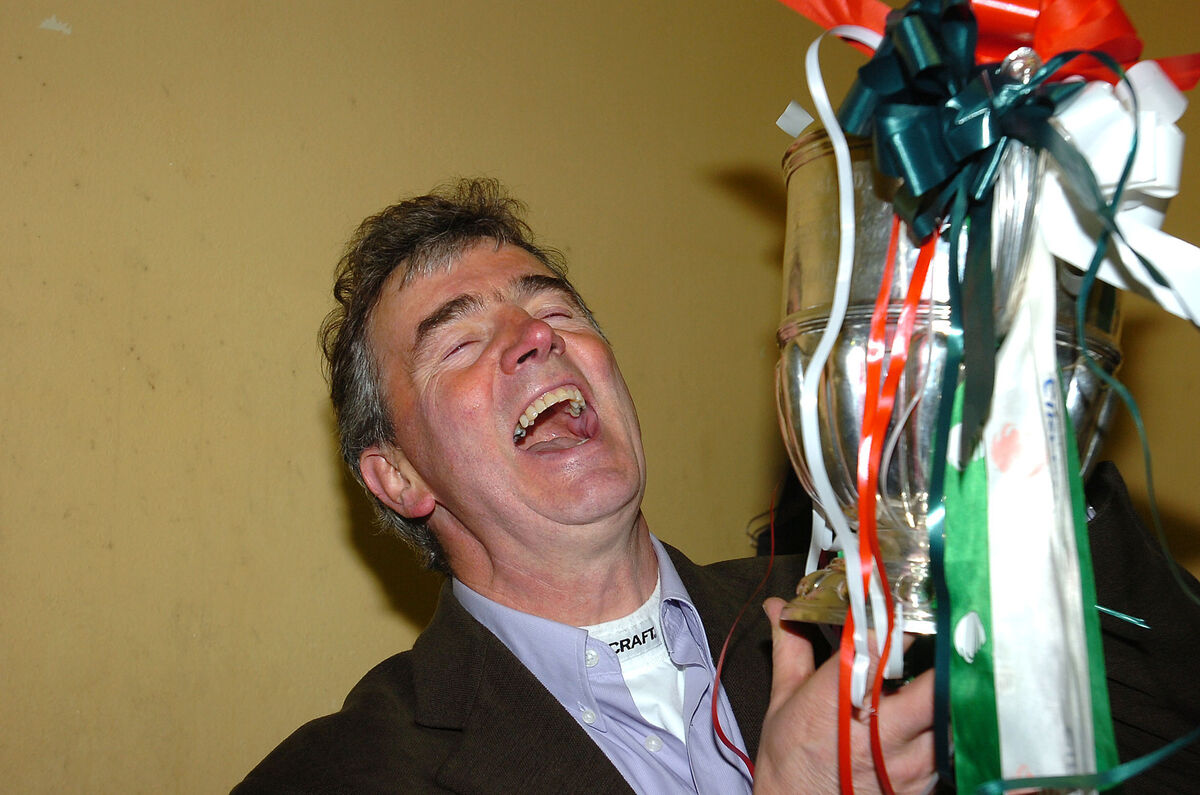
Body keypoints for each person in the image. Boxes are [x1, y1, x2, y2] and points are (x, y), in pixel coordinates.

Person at [232, 178, 936, 793]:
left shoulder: (882, 609)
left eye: (556, 312)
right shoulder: (340, 773)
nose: (537, 336)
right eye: (460, 342)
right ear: (399, 475)